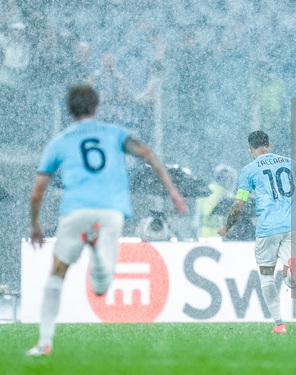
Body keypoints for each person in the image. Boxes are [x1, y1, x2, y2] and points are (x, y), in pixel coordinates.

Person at [27, 84, 187, 356]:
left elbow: (37, 191)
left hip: (76, 211)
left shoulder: (60, 142)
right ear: (97, 106)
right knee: (101, 288)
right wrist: (172, 190)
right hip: (111, 212)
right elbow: (147, 153)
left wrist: (35, 223)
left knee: (56, 274)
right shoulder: (114, 134)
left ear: (68, 110)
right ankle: (100, 255)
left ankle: (44, 343)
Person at [217, 131, 296, 333]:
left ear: (251, 149)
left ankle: (279, 324)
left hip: (267, 228)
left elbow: (238, 204)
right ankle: (291, 272)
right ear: (269, 146)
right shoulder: (291, 163)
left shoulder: (248, 170)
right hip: (295, 225)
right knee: (290, 275)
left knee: (266, 275)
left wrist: (227, 226)